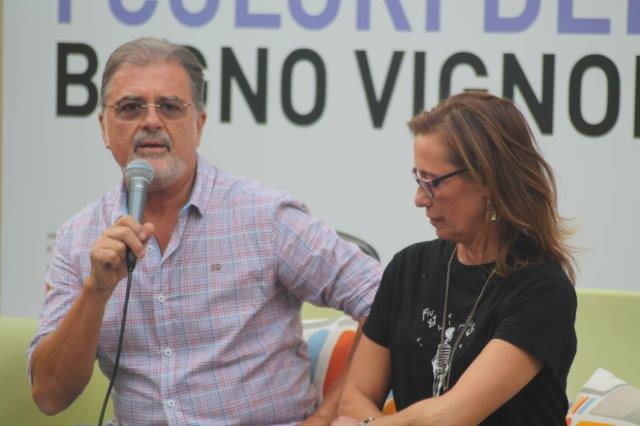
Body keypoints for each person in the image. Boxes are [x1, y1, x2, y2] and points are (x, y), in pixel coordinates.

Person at [27, 37, 382, 425]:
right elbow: (49, 395)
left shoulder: (265, 217)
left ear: (198, 124)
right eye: (130, 108)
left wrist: (329, 417)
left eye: (169, 107)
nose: (150, 121)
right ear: (104, 128)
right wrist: (95, 291)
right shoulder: (78, 239)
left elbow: (386, 302)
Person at [335, 92, 577, 425]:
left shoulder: (543, 291)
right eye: (417, 179)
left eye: (431, 182)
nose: (419, 199)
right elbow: (353, 400)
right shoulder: (407, 268)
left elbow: (450, 417)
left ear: (488, 180)